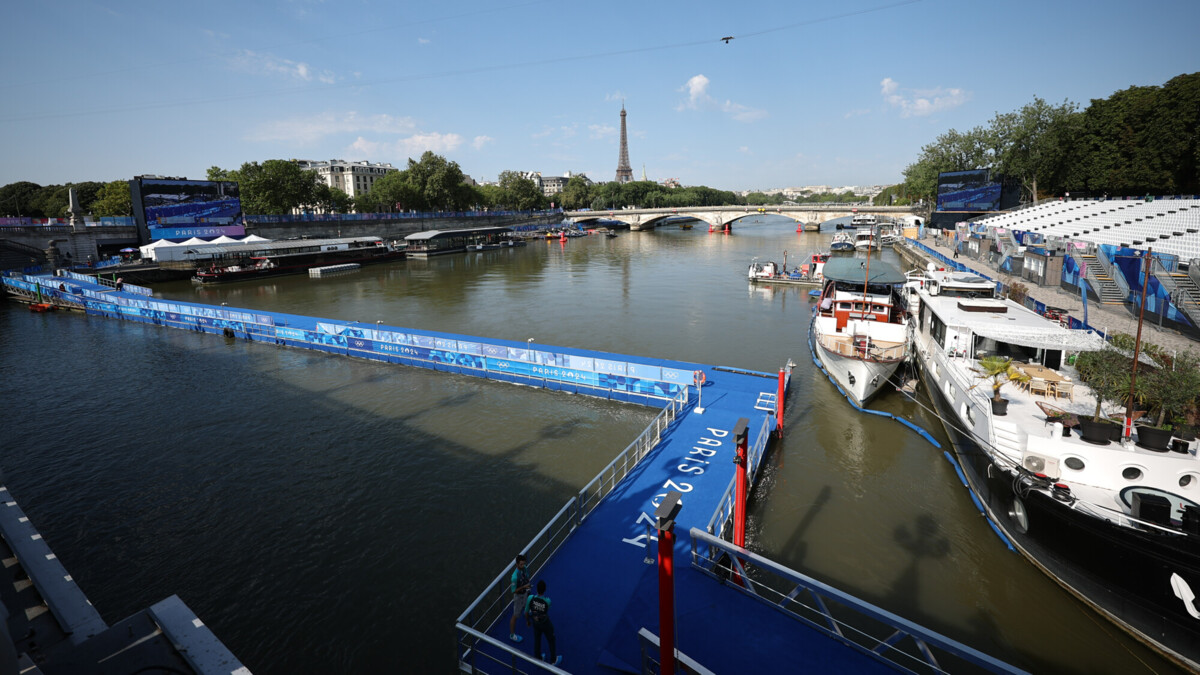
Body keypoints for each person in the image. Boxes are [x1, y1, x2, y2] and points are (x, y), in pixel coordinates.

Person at [525, 580, 561, 666]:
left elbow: (526, 612)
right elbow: (546, 609)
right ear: (545, 590)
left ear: (537, 589)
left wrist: (528, 621)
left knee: (537, 640)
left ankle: (538, 658)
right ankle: (553, 660)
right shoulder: (548, 601)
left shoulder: (530, 598)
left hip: (535, 623)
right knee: (551, 640)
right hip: (545, 624)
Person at [508, 554, 530, 643]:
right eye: (521, 564)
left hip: (525, 593)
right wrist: (524, 587)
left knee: (526, 604)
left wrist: (527, 588)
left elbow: (527, 577)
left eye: (524, 564)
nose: (523, 566)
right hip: (518, 597)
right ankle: (512, 635)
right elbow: (514, 591)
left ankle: (527, 611)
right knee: (515, 615)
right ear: (517, 564)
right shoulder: (514, 577)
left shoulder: (524, 568)